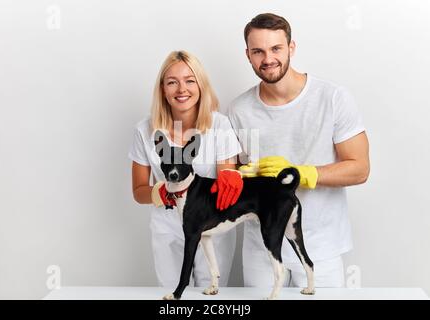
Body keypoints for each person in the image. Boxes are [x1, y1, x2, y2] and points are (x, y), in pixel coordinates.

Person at [227, 13, 370, 288]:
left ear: (291, 48)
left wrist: (302, 173)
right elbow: (231, 175)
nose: (267, 59)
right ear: (247, 55)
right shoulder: (238, 110)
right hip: (261, 250)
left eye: (276, 48)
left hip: (321, 247)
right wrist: (246, 175)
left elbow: (360, 168)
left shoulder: (332, 98)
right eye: (258, 51)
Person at [129, 51, 243, 288]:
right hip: (168, 229)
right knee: (174, 296)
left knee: (209, 293)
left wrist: (233, 177)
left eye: (190, 80)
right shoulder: (144, 130)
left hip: (211, 227)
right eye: (172, 82)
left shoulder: (219, 125)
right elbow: (139, 191)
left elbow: (225, 184)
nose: (182, 89)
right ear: (163, 89)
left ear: (201, 85)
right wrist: (159, 192)